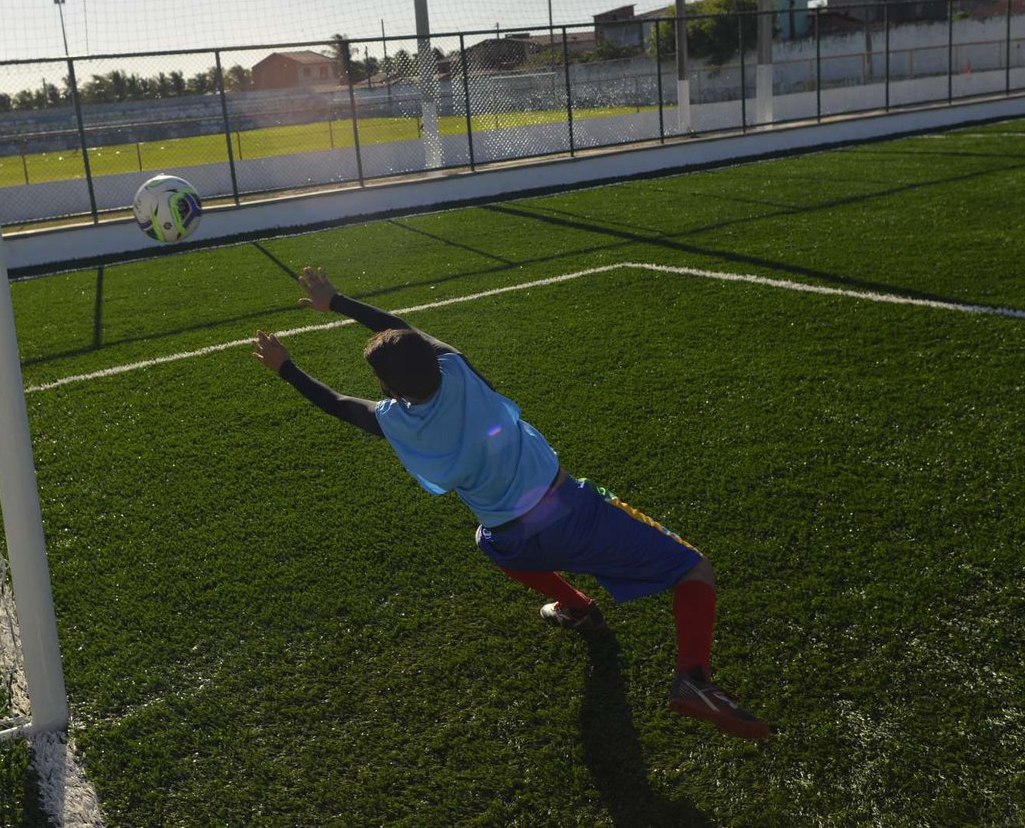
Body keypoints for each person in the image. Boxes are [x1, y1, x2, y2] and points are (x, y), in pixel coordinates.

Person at [251, 267, 770, 741]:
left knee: (487, 542)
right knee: (694, 567)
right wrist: (337, 301)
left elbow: (340, 405)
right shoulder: (459, 371)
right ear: (433, 357)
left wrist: (286, 367)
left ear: (386, 387)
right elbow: (400, 325)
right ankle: (693, 678)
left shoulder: (393, 420)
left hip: (511, 537)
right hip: (568, 508)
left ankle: (578, 608)